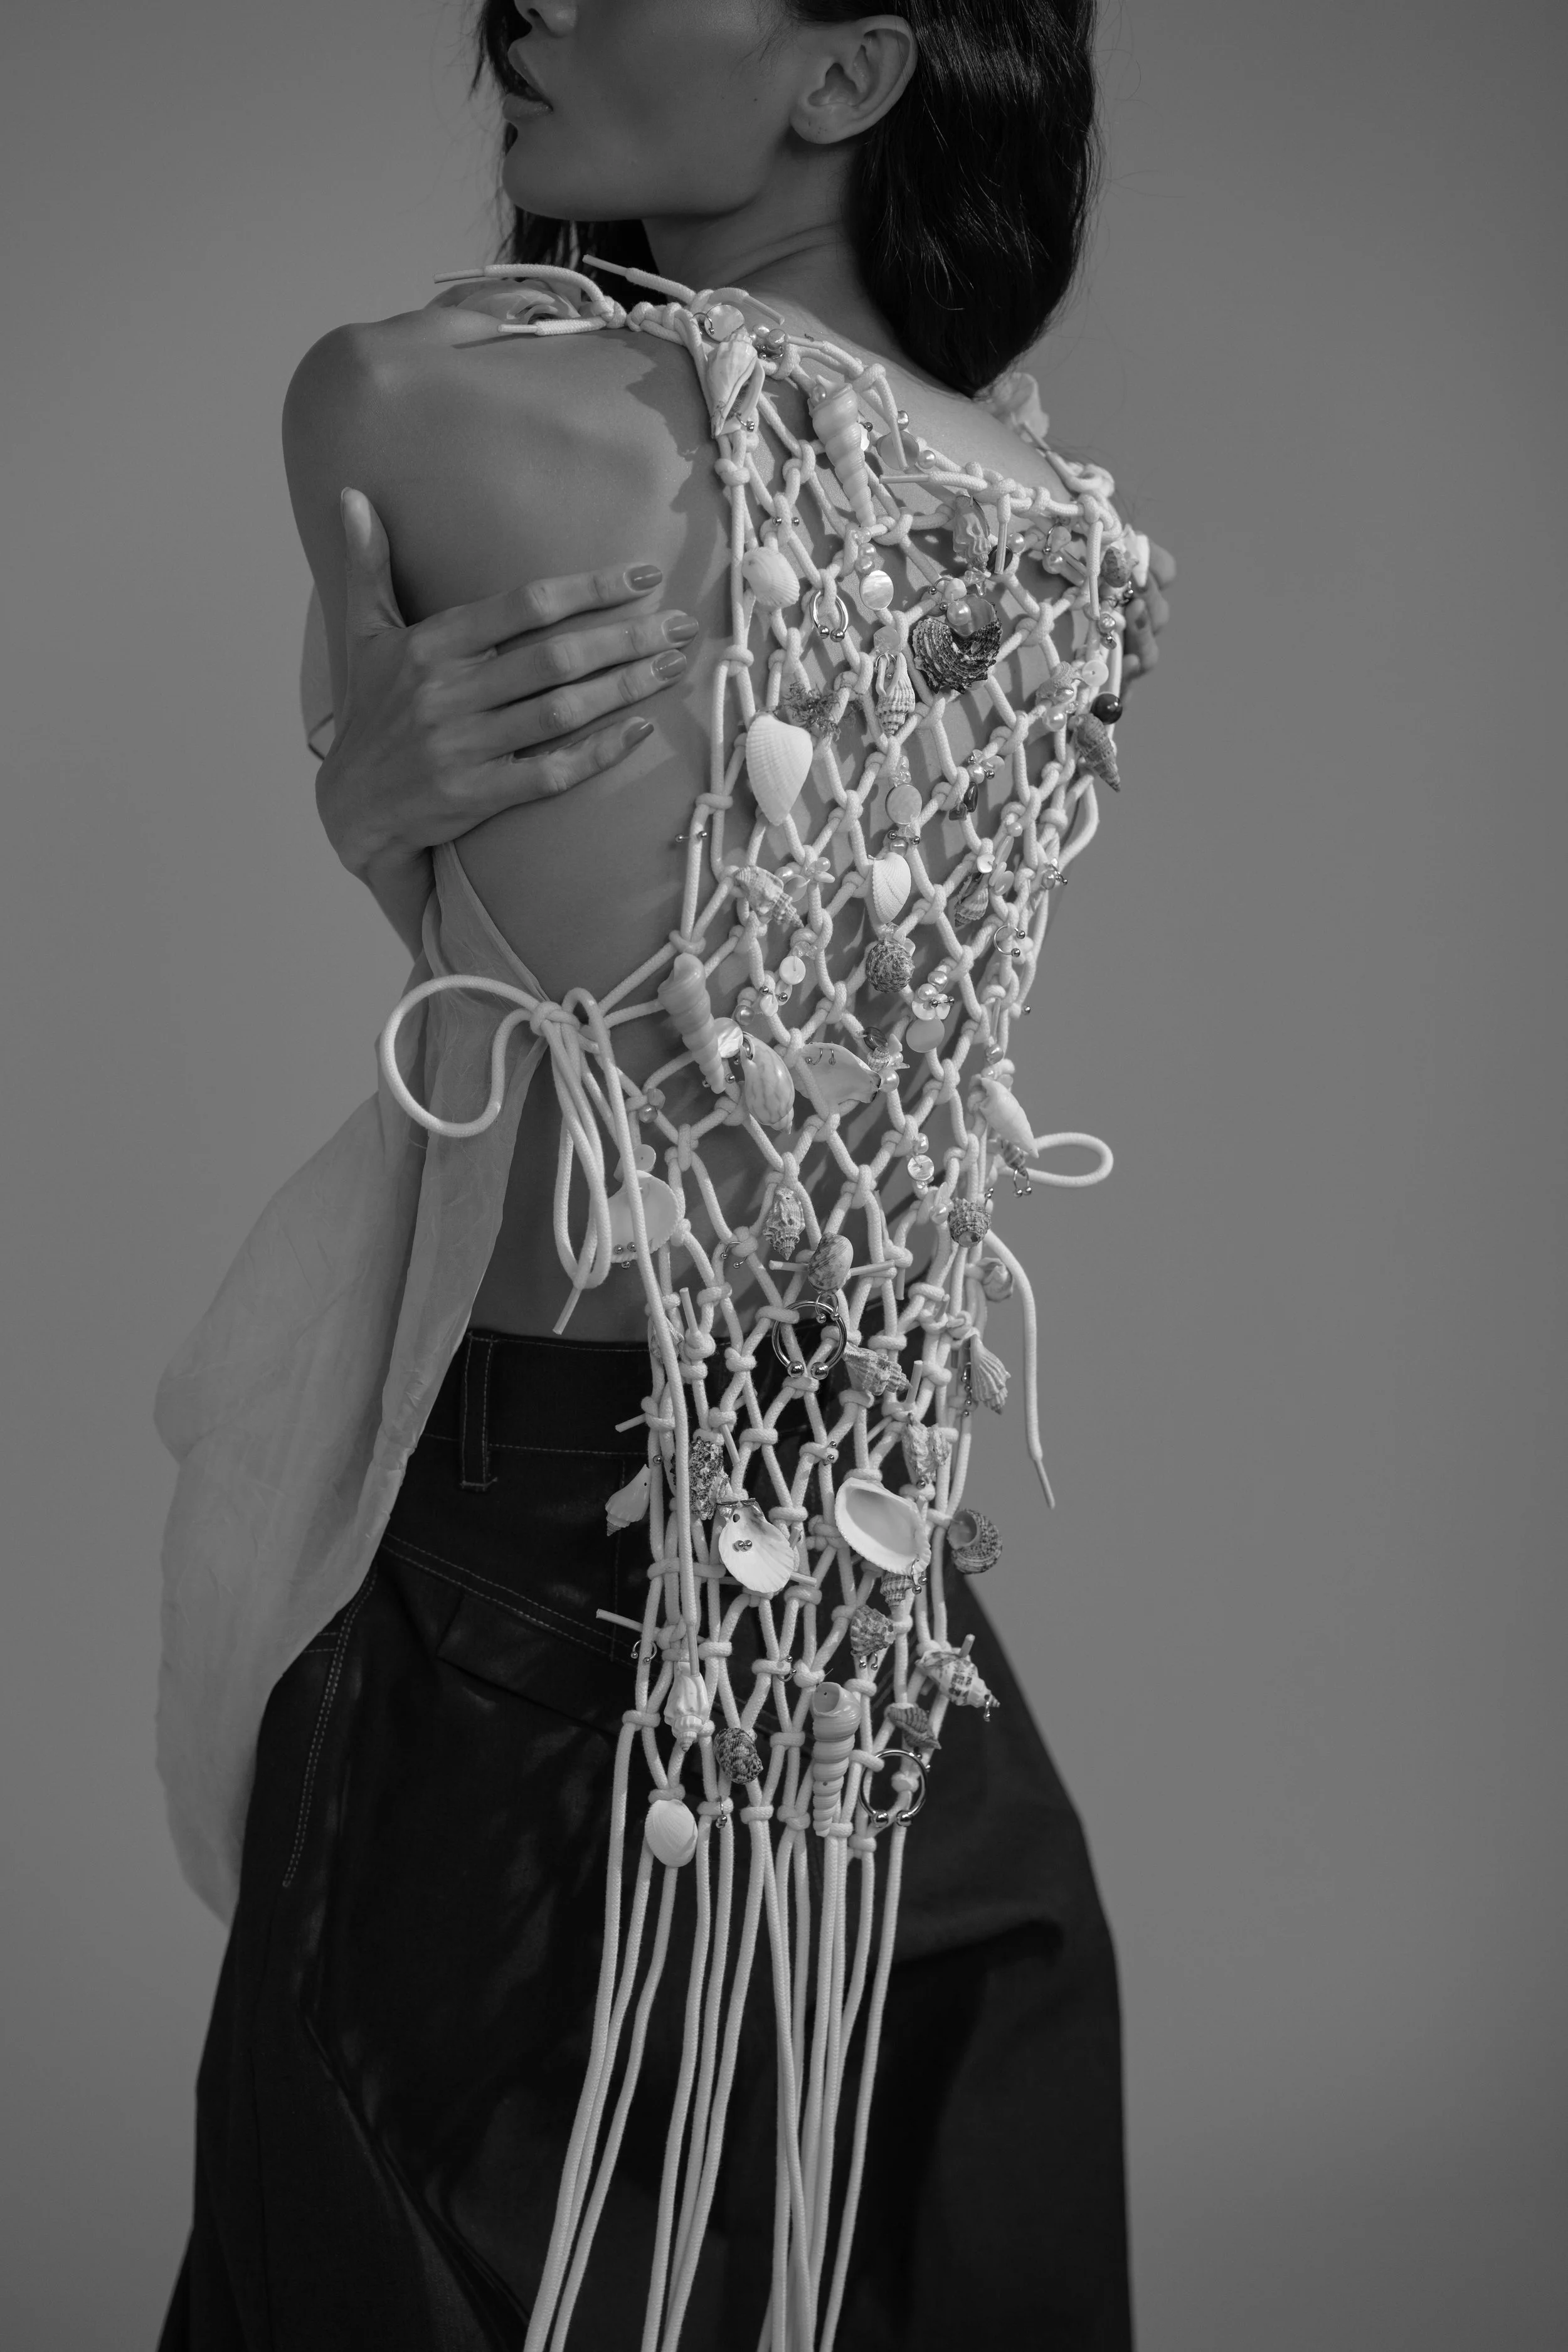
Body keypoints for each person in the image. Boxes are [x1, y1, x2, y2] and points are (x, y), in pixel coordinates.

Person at [155, 6, 1173, 2346]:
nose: (529, 9)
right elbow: (756, 990)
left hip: (537, 1569)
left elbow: (545, 987)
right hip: (872, 1595)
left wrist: (365, 814)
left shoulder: (413, 407)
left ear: (847, 76)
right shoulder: (1058, 534)